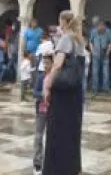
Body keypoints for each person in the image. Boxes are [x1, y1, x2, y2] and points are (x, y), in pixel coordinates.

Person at [42, 10, 86, 175]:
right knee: (72, 129)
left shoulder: (66, 39)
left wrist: (47, 83)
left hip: (63, 91)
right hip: (75, 91)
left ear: (63, 21)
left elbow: (58, 64)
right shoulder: (79, 40)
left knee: (58, 129)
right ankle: (71, 166)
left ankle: (57, 168)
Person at [33, 52, 53, 175]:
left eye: (48, 62)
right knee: (38, 136)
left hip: (53, 111)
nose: (45, 65)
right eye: (44, 62)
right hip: (41, 110)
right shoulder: (41, 77)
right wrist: (43, 94)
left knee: (52, 137)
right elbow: (35, 91)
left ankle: (51, 162)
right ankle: (37, 163)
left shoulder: (56, 76)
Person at [88, 21, 111, 95]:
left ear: (105, 27)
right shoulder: (93, 31)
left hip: (105, 52)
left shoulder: (108, 31)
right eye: (100, 29)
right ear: (97, 27)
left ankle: (105, 89)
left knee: (105, 72)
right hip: (96, 52)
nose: (102, 30)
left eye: (103, 28)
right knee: (95, 72)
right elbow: (90, 42)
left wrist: (108, 51)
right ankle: (95, 89)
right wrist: (92, 51)